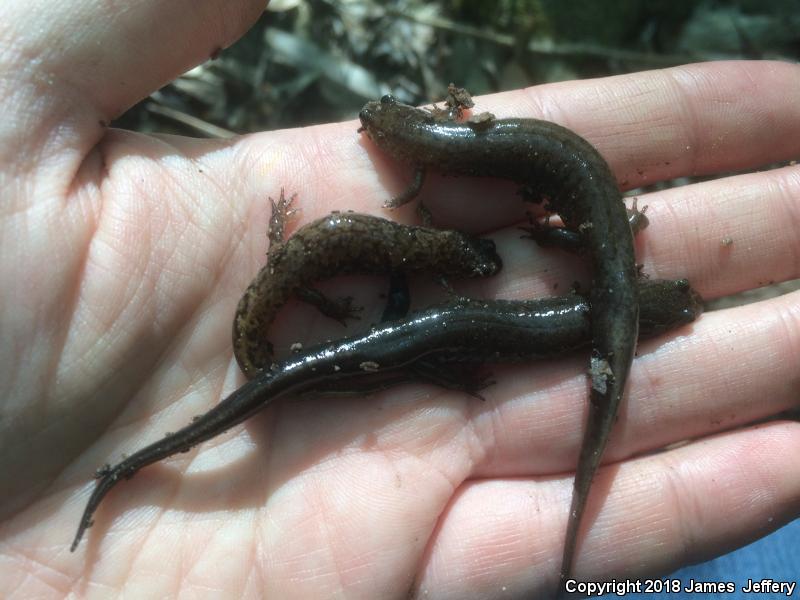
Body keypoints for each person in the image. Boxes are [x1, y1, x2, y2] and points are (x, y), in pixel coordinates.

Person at [0, 1, 798, 597]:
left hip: (430, 324)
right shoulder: (476, 254)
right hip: (431, 325)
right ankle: (127, 466)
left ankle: (127, 466)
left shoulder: (437, 212)